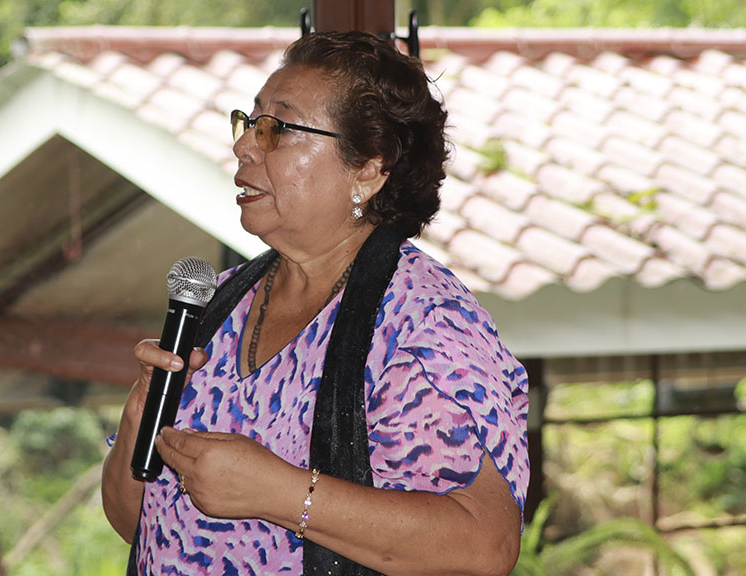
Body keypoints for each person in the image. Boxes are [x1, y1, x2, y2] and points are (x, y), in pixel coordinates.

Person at [101, 30, 529, 576]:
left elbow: (484, 547)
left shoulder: (423, 322)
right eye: (250, 122)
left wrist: (280, 492)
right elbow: (134, 522)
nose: (244, 146)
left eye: (278, 128)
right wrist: (141, 410)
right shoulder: (219, 306)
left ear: (368, 169)